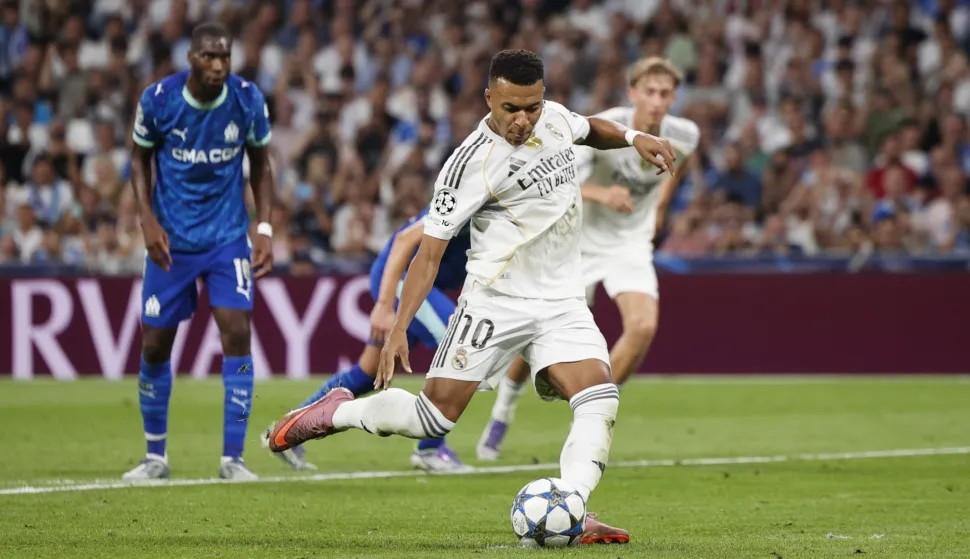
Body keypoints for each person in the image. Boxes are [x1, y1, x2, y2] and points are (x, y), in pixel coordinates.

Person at [267, 49, 675, 545]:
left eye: (532, 106)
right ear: (489, 99)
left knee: (599, 398)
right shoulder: (468, 165)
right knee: (430, 418)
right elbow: (427, 255)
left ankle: (571, 508)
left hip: (562, 302)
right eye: (511, 109)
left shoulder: (555, 119)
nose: (524, 119)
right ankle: (335, 411)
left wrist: (634, 138)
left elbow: (589, 127)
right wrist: (399, 325)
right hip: (494, 304)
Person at [477, 57, 700, 461]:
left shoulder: (686, 134)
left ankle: (592, 412)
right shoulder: (606, 128)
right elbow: (562, 182)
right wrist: (604, 195)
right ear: (632, 93)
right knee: (535, 338)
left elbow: (677, 164)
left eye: (665, 93)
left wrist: (660, 207)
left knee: (643, 328)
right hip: (576, 242)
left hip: (630, 245)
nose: (657, 100)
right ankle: (503, 412)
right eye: (649, 91)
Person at [122, 22, 274, 482]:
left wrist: (263, 227)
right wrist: (145, 219)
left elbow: (262, 165)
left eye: (224, 57)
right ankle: (155, 457)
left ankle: (233, 459)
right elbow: (138, 158)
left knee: (236, 333)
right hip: (171, 241)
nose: (218, 65)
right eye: (209, 56)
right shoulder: (159, 100)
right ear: (190, 58)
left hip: (227, 238)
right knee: (153, 343)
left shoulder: (246, 99)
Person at [261, 207, 473, 473]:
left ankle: (286, 430)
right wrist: (384, 305)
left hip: (416, 284)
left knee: (368, 372)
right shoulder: (472, 196)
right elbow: (404, 241)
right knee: (456, 341)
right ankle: (430, 449)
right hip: (399, 279)